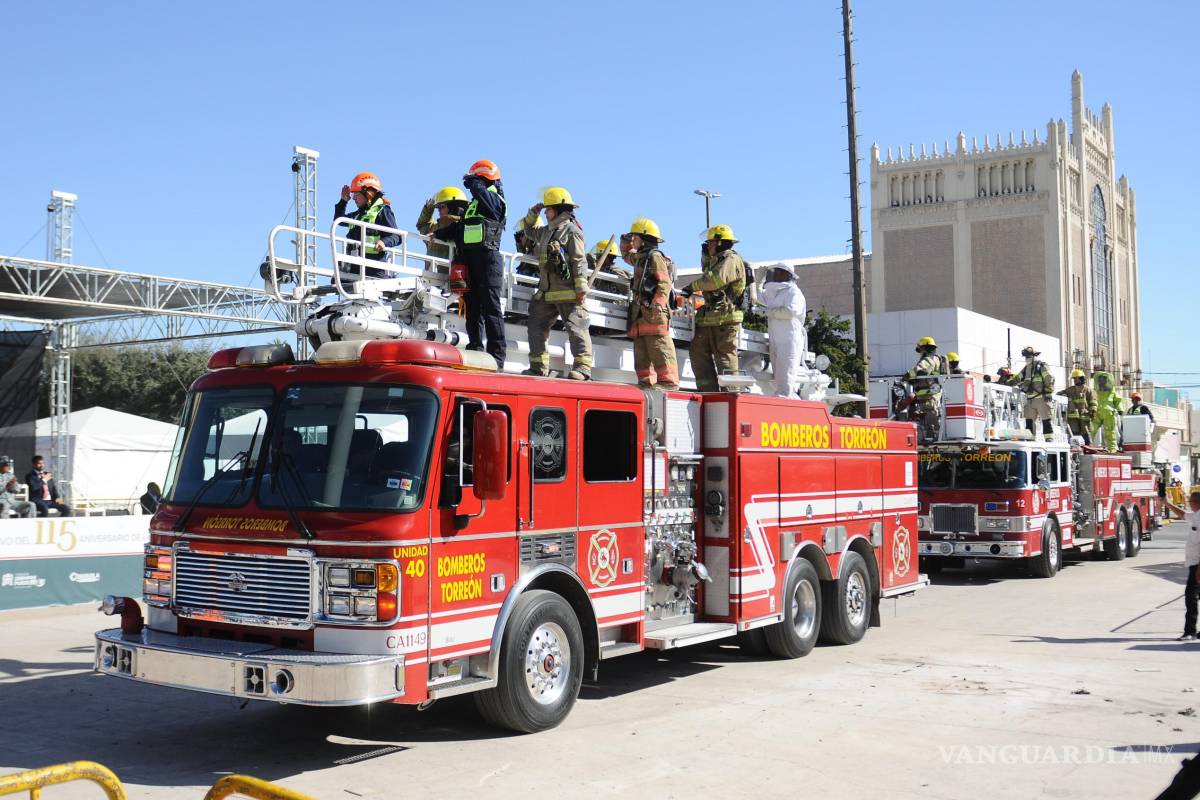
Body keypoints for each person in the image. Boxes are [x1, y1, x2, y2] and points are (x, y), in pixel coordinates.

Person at [436, 160, 507, 369]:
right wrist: (438, 234)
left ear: (483, 179)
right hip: (470, 261)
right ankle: (475, 348)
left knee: (491, 310)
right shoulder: (474, 205)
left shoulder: (495, 199)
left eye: (476, 179)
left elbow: (488, 202)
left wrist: (475, 184)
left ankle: (497, 358)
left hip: (488, 261)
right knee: (472, 309)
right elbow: (462, 229)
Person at [520, 187, 591, 380]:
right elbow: (528, 231)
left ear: (559, 210)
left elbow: (578, 260)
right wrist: (532, 214)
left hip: (568, 291)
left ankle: (583, 368)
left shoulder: (572, 231)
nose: (546, 212)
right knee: (535, 325)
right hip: (546, 291)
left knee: (576, 327)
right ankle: (537, 367)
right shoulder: (546, 231)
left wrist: (581, 287)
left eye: (548, 209)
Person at [686, 224, 746, 392]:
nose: (708, 245)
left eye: (710, 242)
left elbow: (714, 280)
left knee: (725, 357)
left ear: (720, 243)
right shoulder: (718, 260)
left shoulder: (731, 259)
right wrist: (705, 257)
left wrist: (692, 286)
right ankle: (708, 392)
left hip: (726, 318)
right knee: (698, 352)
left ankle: (731, 395)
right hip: (711, 317)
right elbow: (708, 273)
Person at [625, 217, 678, 390]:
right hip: (641, 314)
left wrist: (657, 304)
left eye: (635, 237)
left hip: (654, 313)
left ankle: (668, 382)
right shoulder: (641, 257)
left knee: (659, 347)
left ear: (644, 238)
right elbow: (626, 255)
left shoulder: (655, 257)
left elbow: (664, 283)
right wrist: (625, 240)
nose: (633, 240)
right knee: (641, 352)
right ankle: (645, 383)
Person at [334, 172, 401, 279]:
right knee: (336, 281)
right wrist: (343, 201)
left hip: (373, 268)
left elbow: (397, 236)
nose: (354, 199)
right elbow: (339, 221)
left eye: (356, 195)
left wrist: (384, 242)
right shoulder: (359, 214)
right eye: (353, 195)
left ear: (368, 194)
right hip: (354, 265)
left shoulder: (383, 211)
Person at [762, 263, 806, 398]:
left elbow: (790, 311)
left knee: (786, 375)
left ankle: (785, 401)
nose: (775, 274)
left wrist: (768, 312)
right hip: (776, 339)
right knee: (778, 375)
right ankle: (781, 400)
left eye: (778, 272)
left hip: (790, 339)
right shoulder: (776, 292)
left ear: (786, 274)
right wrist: (757, 280)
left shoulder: (794, 292)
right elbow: (758, 297)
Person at [1164, 491, 1200, 640]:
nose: (1189, 503)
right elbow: (1183, 515)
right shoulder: (1196, 516)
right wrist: (1166, 503)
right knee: (1193, 597)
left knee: (1191, 597)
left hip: (1198, 566)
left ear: (1197, 502)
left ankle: (1190, 631)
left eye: (1191, 501)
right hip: (1195, 564)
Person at [905, 336, 945, 439]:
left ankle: (933, 436)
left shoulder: (928, 359)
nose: (920, 352)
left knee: (930, 414)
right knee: (930, 414)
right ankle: (933, 434)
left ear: (925, 348)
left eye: (921, 349)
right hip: (931, 392)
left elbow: (920, 370)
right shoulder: (937, 359)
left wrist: (907, 376)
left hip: (929, 394)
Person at [416, 186, 468, 263]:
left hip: (446, 273)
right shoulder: (436, 227)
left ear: (453, 207)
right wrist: (429, 207)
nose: (439, 210)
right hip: (434, 272)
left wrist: (430, 206)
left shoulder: (462, 227)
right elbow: (422, 225)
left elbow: (422, 225)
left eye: (442, 207)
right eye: (438, 208)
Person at [1016, 345, 1055, 441]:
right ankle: (1030, 439)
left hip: (1042, 398)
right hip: (1030, 400)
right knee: (1029, 421)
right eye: (1026, 357)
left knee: (1046, 420)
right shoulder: (1026, 368)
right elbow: (1017, 378)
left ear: (1034, 356)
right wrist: (1007, 383)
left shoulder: (1041, 365)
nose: (1027, 359)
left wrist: (1048, 392)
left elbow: (1049, 378)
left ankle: (1049, 439)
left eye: (1028, 356)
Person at [1057, 368, 1096, 445]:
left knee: (1086, 433)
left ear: (1081, 378)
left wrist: (1093, 412)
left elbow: (1093, 402)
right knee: (1074, 433)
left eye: (1076, 378)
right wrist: (1063, 395)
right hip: (1073, 417)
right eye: (1074, 379)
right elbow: (1059, 394)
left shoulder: (1088, 390)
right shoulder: (1070, 390)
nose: (1074, 380)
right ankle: (1077, 447)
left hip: (1084, 416)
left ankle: (1088, 446)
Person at [1090, 370, 1123, 451]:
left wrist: (1120, 409)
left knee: (1110, 433)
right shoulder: (1096, 392)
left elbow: (1118, 400)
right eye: (1100, 380)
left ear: (1107, 381)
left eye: (1103, 380)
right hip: (1097, 413)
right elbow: (1092, 400)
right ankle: (1088, 444)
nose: (1101, 381)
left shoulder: (1112, 392)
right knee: (1091, 429)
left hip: (1109, 414)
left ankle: (1112, 449)